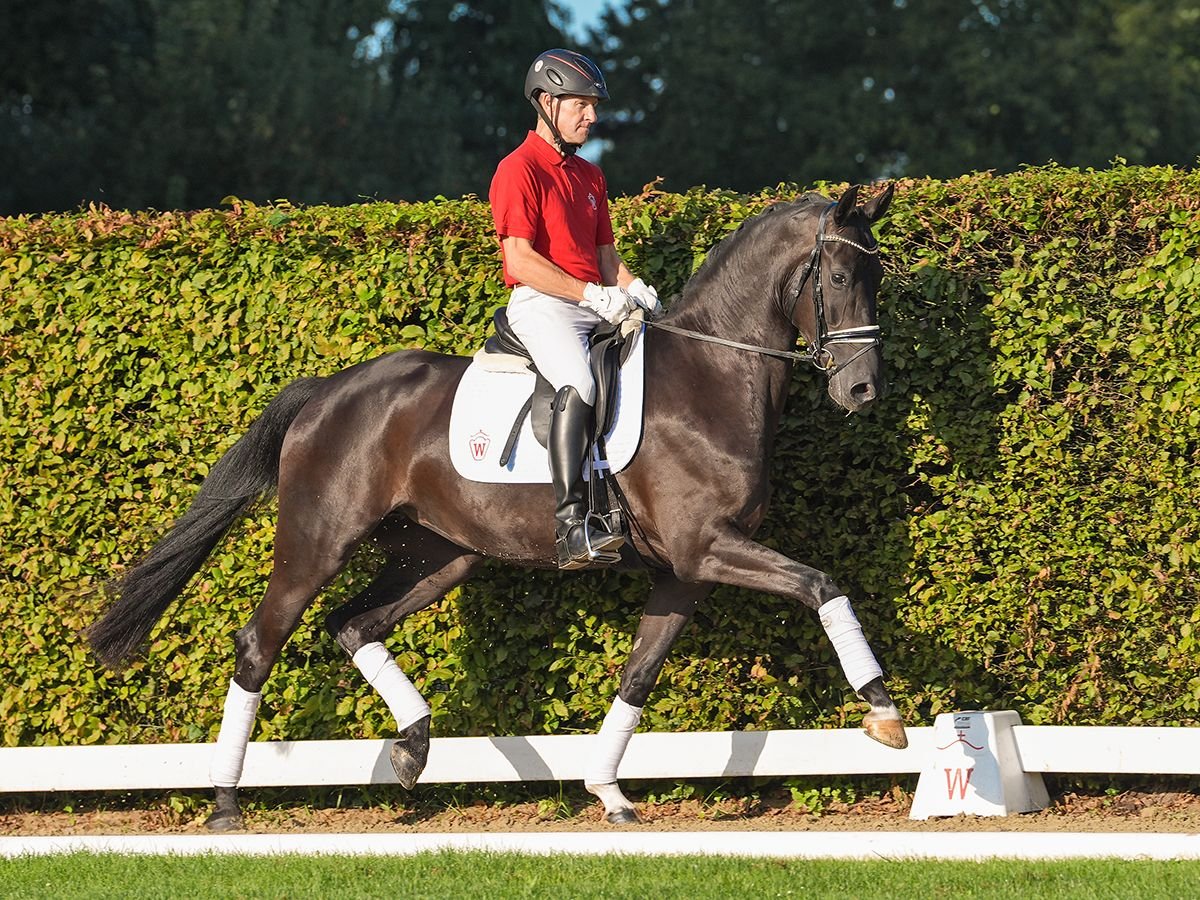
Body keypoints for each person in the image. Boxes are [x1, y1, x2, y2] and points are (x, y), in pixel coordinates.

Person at [488, 48, 662, 571]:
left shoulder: (590, 177)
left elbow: (606, 259)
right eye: (581, 105)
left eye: (593, 106)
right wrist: (589, 294)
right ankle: (572, 526)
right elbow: (520, 257)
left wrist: (639, 289)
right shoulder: (517, 170)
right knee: (579, 383)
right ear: (546, 102)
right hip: (545, 304)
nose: (592, 116)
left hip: (594, 302)